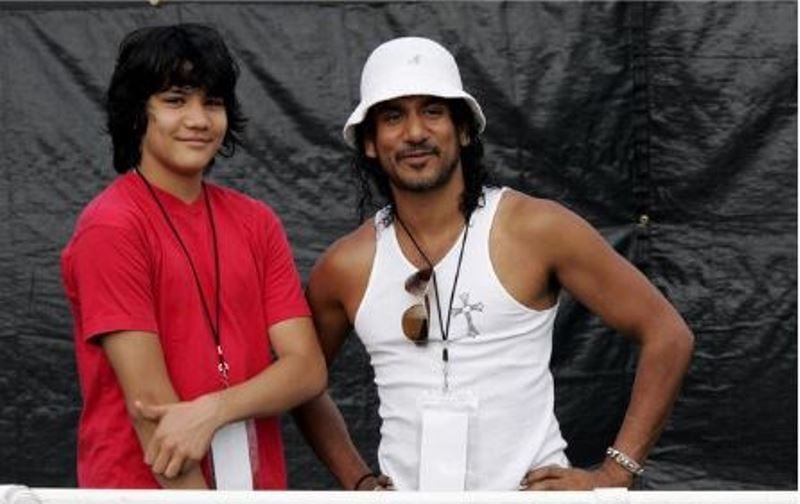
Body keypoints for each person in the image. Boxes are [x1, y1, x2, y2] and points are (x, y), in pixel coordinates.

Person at [293, 36, 694, 491]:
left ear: (463, 129)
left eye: (432, 110)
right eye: (392, 116)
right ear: (369, 142)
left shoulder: (536, 229)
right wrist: (357, 479)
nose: (414, 132)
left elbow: (667, 334)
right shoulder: (345, 266)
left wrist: (615, 474)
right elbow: (300, 379)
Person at [61, 24, 326, 489]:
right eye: (176, 100)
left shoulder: (256, 221)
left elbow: (305, 369)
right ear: (138, 113)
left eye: (213, 102)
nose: (200, 119)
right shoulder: (112, 227)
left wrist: (215, 408)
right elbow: (152, 412)